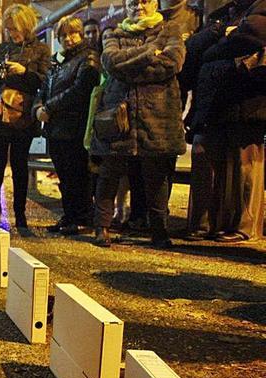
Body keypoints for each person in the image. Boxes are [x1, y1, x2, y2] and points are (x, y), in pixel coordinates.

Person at [89, 0, 187, 248]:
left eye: (144, 1)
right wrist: (149, 53)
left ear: (155, 3)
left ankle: (159, 231)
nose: (138, 6)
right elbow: (111, 63)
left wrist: (128, 65)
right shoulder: (113, 32)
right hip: (119, 114)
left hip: (158, 115)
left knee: (157, 176)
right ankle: (102, 227)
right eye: (133, 2)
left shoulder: (170, 30)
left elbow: (171, 63)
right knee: (109, 173)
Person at [182, 0, 266, 243]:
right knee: (205, 157)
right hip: (214, 101)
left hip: (248, 101)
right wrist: (220, 36)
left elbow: (252, 37)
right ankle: (206, 223)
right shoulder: (221, 15)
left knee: (245, 166)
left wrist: (212, 51)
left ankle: (243, 226)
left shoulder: (260, 7)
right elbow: (192, 49)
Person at [0, 4, 50, 229]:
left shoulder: (41, 50)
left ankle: (20, 216)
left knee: (20, 166)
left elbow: (43, 81)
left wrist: (23, 72)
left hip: (22, 116)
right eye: (9, 29)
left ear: (27, 26)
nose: (12, 33)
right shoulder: (3, 48)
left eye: (16, 28)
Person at [34, 16, 101, 235]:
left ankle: (83, 217)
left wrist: (49, 108)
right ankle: (70, 215)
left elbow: (80, 91)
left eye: (73, 33)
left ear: (80, 34)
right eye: (63, 35)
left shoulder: (88, 58)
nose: (68, 39)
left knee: (78, 176)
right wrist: (38, 107)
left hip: (75, 128)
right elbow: (43, 88)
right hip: (55, 129)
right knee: (64, 175)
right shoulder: (56, 60)